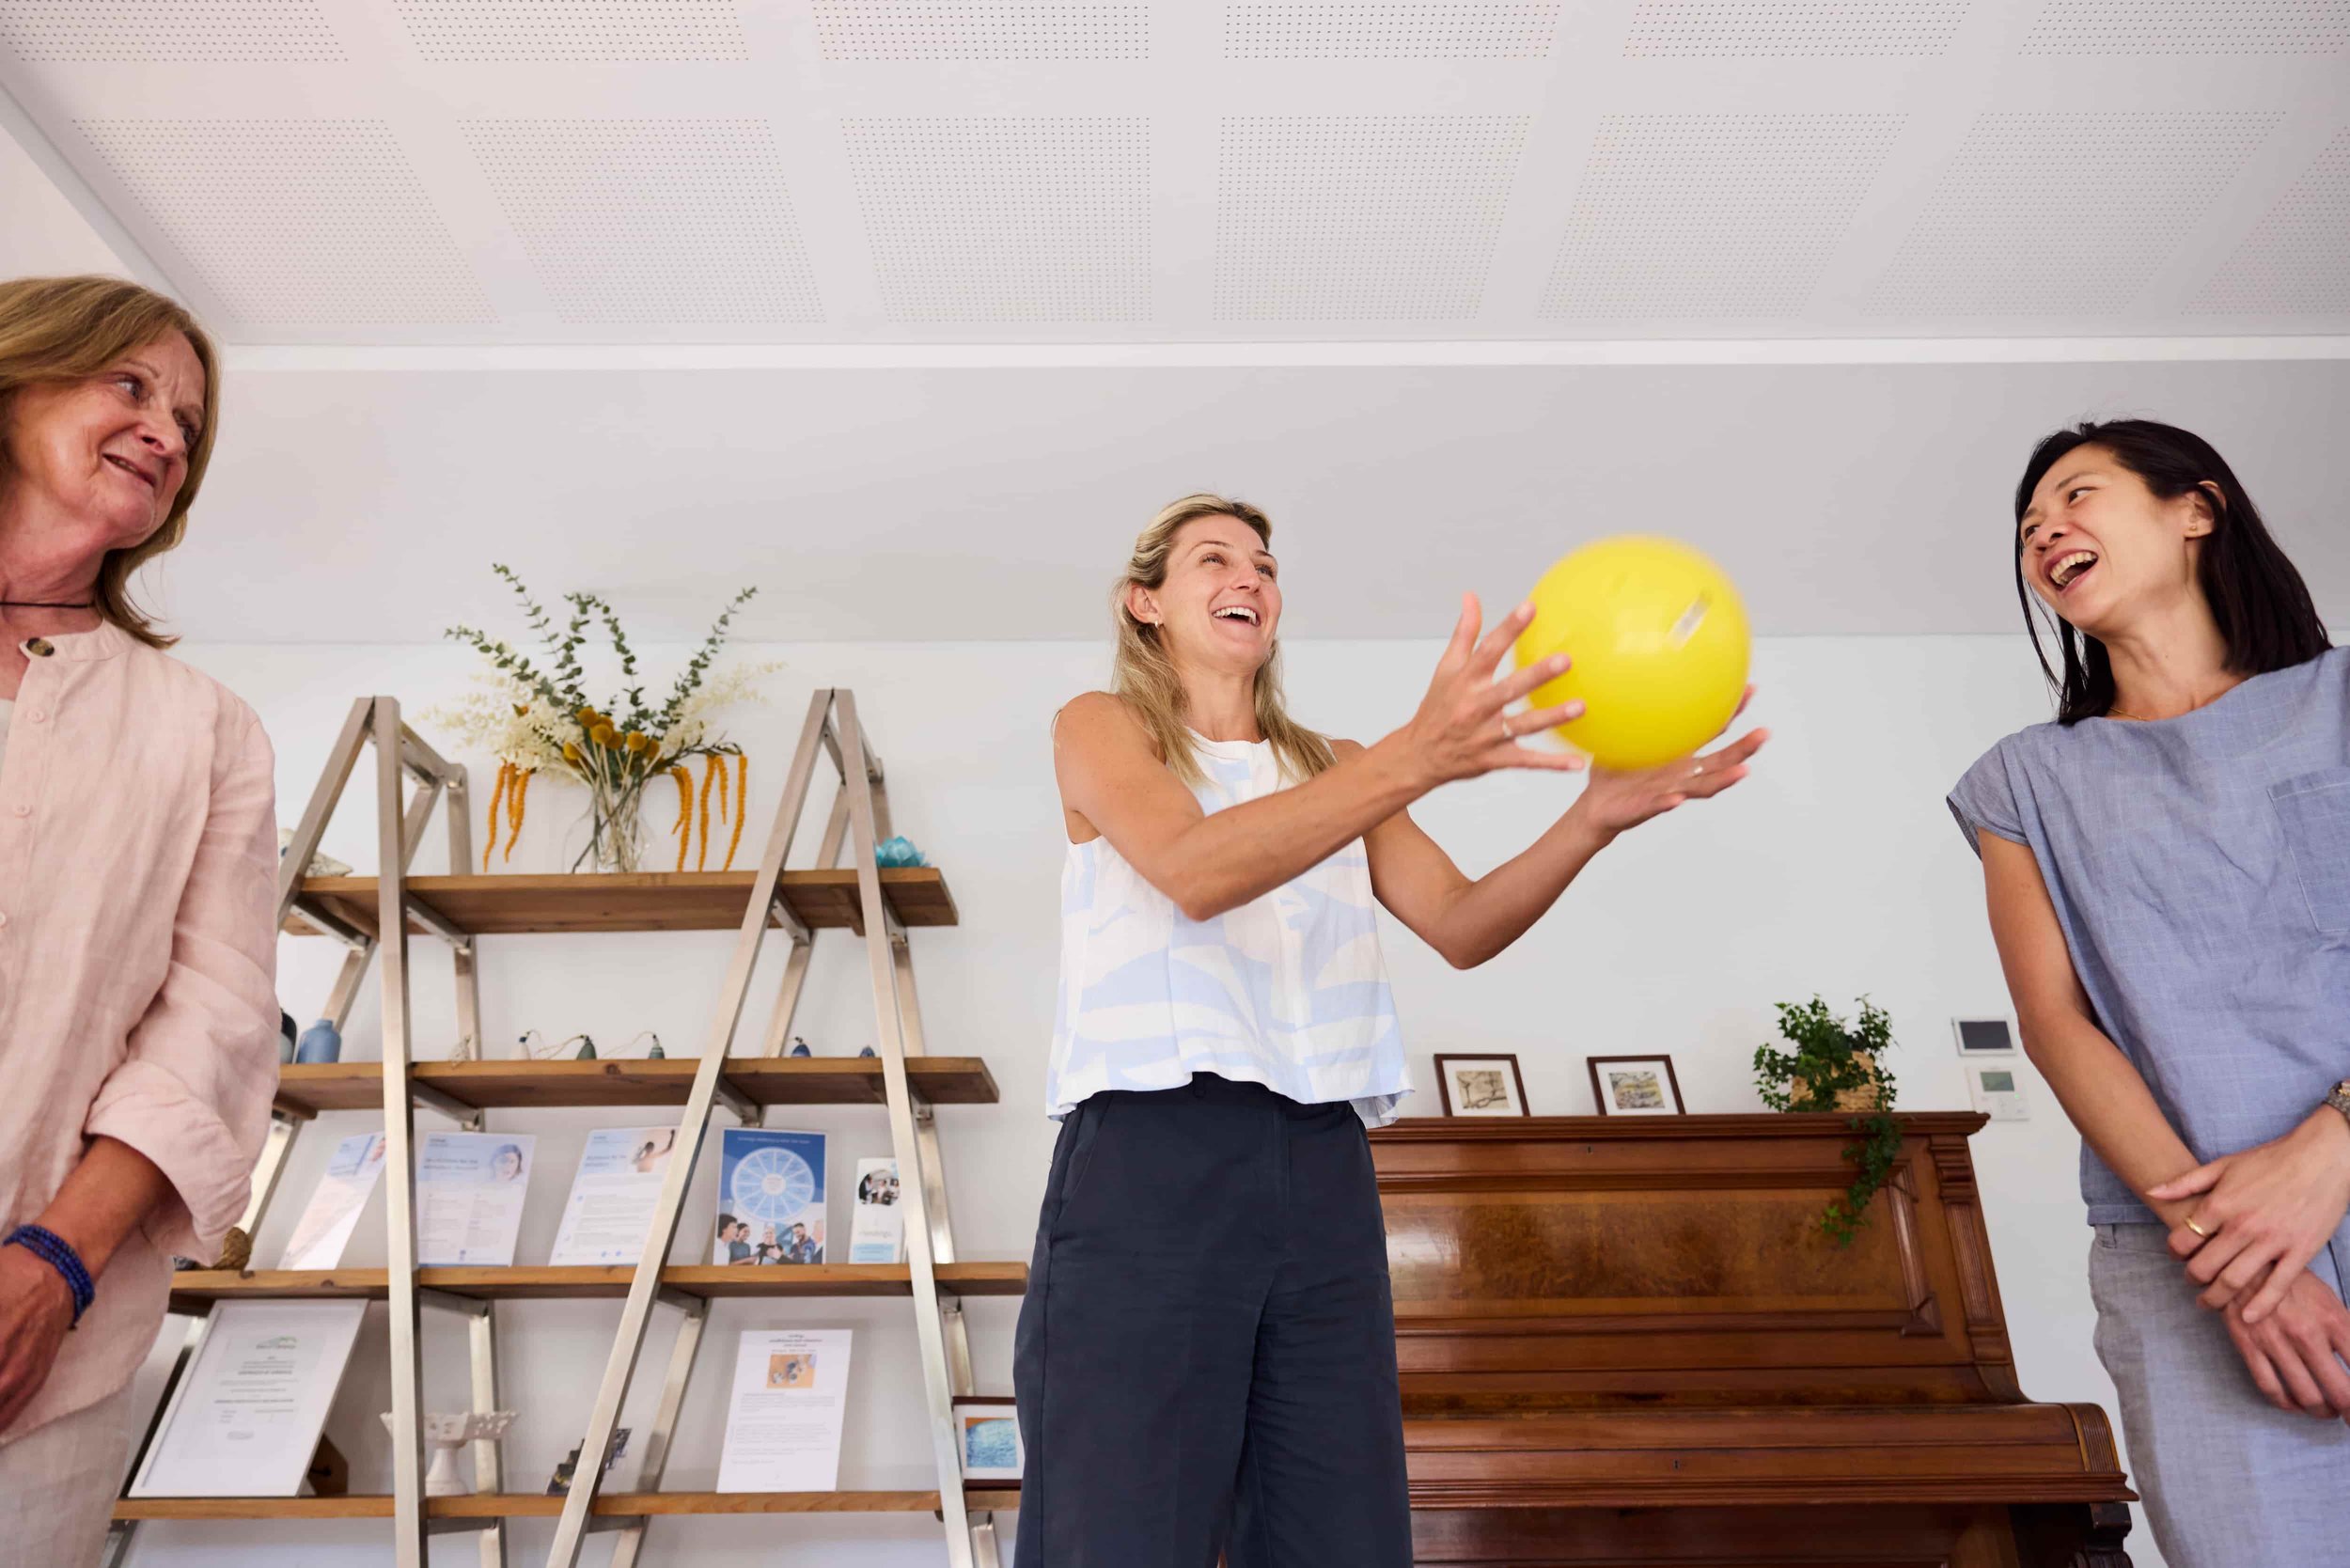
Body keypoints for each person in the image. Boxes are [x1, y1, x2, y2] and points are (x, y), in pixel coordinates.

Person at [1015, 494, 1765, 1566]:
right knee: (1124, 1533)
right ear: (1145, 603)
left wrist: (1591, 817)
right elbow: (1193, 870)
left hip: (1321, 1168)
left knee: (1341, 1536)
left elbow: (1462, 925)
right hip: (1149, 1162)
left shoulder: (1339, 761)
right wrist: (1416, 755)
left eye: (1266, 565)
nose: (1250, 579)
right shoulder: (1099, 726)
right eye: (1213, 560)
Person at [1947, 419, 2350, 1566]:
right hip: (2187, 1253)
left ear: (2196, 510)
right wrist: (2233, 1262)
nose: (2044, 533)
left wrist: (2332, 1145)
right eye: (2028, 528)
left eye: (2076, 497)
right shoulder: (2021, 783)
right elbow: (2056, 1024)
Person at [0, 275, 279, 1559]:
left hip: (44, 1355)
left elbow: (214, 1022)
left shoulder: (200, 727)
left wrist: (53, 1266)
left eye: (187, 420)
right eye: (131, 385)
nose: (169, 432)